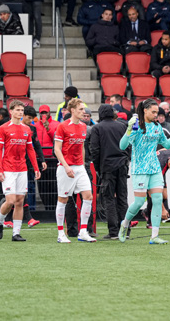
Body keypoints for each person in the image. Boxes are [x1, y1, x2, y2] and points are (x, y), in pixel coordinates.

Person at [118, 99, 170, 244]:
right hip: (140, 169)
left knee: (157, 200)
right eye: (153, 112)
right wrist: (128, 130)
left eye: (157, 112)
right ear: (145, 110)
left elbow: (167, 144)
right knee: (139, 202)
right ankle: (124, 224)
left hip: (154, 168)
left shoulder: (157, 126)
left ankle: (154, 236)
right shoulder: (136, 126)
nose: (156, 115)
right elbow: (122, 146)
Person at [0, 101, 40, 242]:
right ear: (11, 111)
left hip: (22, 169)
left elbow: (30, 149)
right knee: (10, 201)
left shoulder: (27, 129)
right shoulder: (4, 128)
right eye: (18, 110)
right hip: (8, 169)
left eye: (21, 110)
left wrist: (36, 168)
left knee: (19, 201)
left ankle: (16, 233)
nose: (20, 112)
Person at [53, 98, 96, 243]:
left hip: (79, 167)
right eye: (81, 109)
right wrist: (66, 166)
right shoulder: (62, 126)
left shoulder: (83, 127)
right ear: (72, 110)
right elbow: (57, 149)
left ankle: (83, 231)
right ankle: (60, 234)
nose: (84, 112)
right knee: (63, 199)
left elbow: (82, 147)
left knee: (88, 196)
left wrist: (82, 165)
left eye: (84, 109)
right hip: (65, 167)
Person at [89, 104, 130, 240]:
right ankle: (125, 230)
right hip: (122, 165)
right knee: (122, 198)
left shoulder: (97, 128)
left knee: (109, 199)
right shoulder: (122, 126)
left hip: (107, 167)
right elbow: (128, 145)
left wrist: (98, 168)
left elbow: (95, 150)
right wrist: (126, 161)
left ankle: (113, 232)